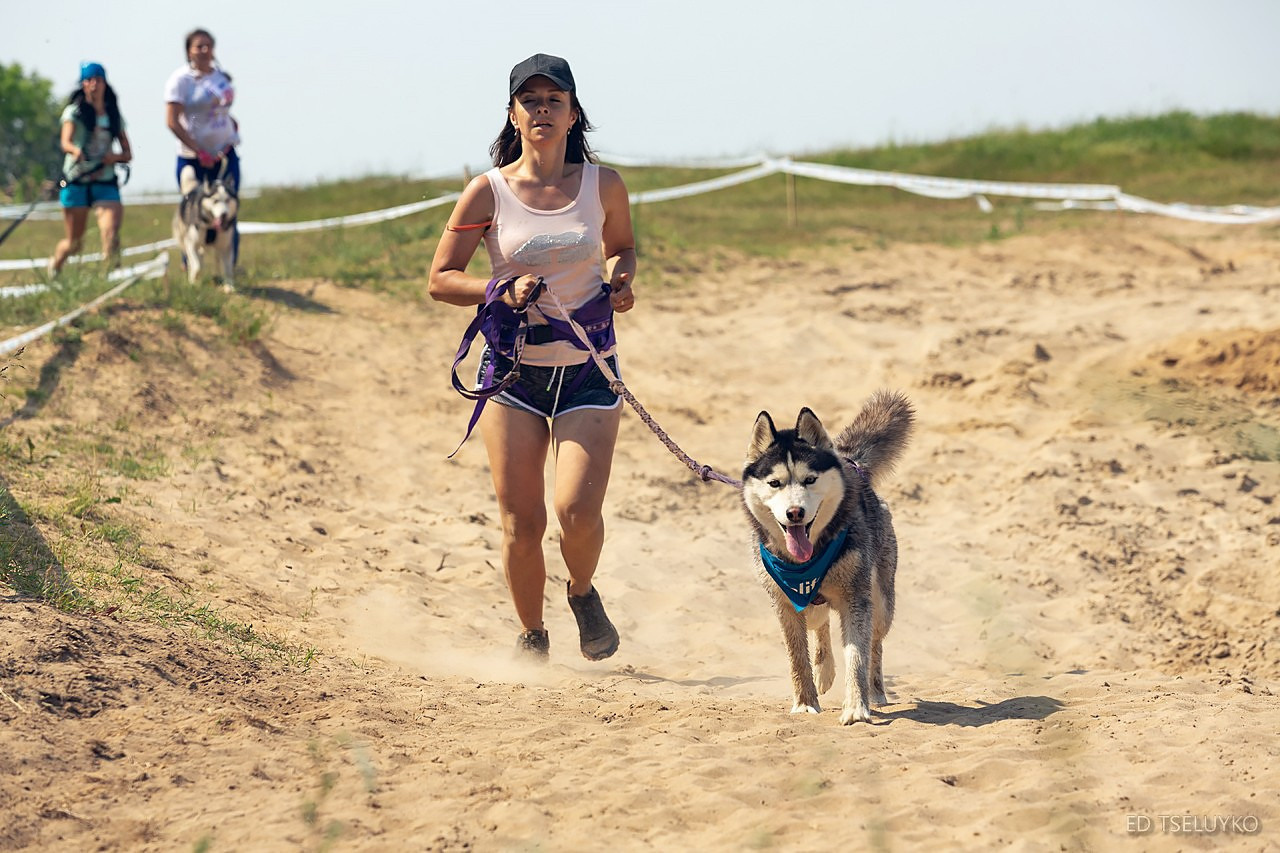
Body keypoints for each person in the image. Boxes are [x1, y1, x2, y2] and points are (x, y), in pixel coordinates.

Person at [429, 54, 638, 661]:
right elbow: (441, 280)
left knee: (576, 511)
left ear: (573, 114)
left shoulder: (605, 185)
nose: (542, 108)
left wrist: (621, 280)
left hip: (589, 368)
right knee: (523, 523)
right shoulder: (487, 192)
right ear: (513, 115)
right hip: (513, 372)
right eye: (530, 100)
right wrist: (501, 289)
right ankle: (531, 635)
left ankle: (580, 592)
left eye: (554, 99)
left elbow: (621, 249)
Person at [164, 28, 241, 265]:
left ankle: (228, 273)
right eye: (199, 46)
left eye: (208, 45)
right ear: (188, 51)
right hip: (192, 158)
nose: (204, 50)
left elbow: (220, 110)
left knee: (227, 209)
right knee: (192, 212)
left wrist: (231, 126)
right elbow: (172, 121)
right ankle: (192, 270)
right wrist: (198, 150)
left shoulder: (221, 77)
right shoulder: (180, 80)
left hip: (225, 154)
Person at [49, 62, 132, 276]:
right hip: (76, 179)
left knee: (110, 232)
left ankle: (108, 278)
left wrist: (113, 157)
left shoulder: (113, 115)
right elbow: (65, 142)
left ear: (105, 83)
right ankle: (55, 266)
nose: (94, 85)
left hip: (105, 180)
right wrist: (76, 151)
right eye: (89, 80)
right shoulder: (74, 112)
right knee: (75, 244)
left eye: (99, 80)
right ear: (83, 84)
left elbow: (127, 152)